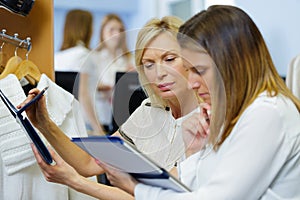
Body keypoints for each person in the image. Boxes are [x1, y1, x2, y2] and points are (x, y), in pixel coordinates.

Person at [98, 5, 300, 199]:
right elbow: (197, 181)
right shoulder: (236, 113)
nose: (192, 83)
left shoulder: (267, 113)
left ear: (231, 65)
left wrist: (135, 189)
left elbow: (215, 197)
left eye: (199, 71)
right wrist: (194, 151)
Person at [19, 16, 201, 199]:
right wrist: (45, 124)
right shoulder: (149, 112)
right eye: (149, 64)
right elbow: (90, 162)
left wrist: (74, 181)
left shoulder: (208, 123)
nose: (159, 73)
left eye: (169, 59)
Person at [79, 13, 134, 134]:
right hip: (98, 120)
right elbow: (84, 92)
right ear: (102, 32)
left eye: (120, 30)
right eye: (111, 30)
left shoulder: (129, 60)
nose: (116, 34)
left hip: (122, 121)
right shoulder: (92, 58)